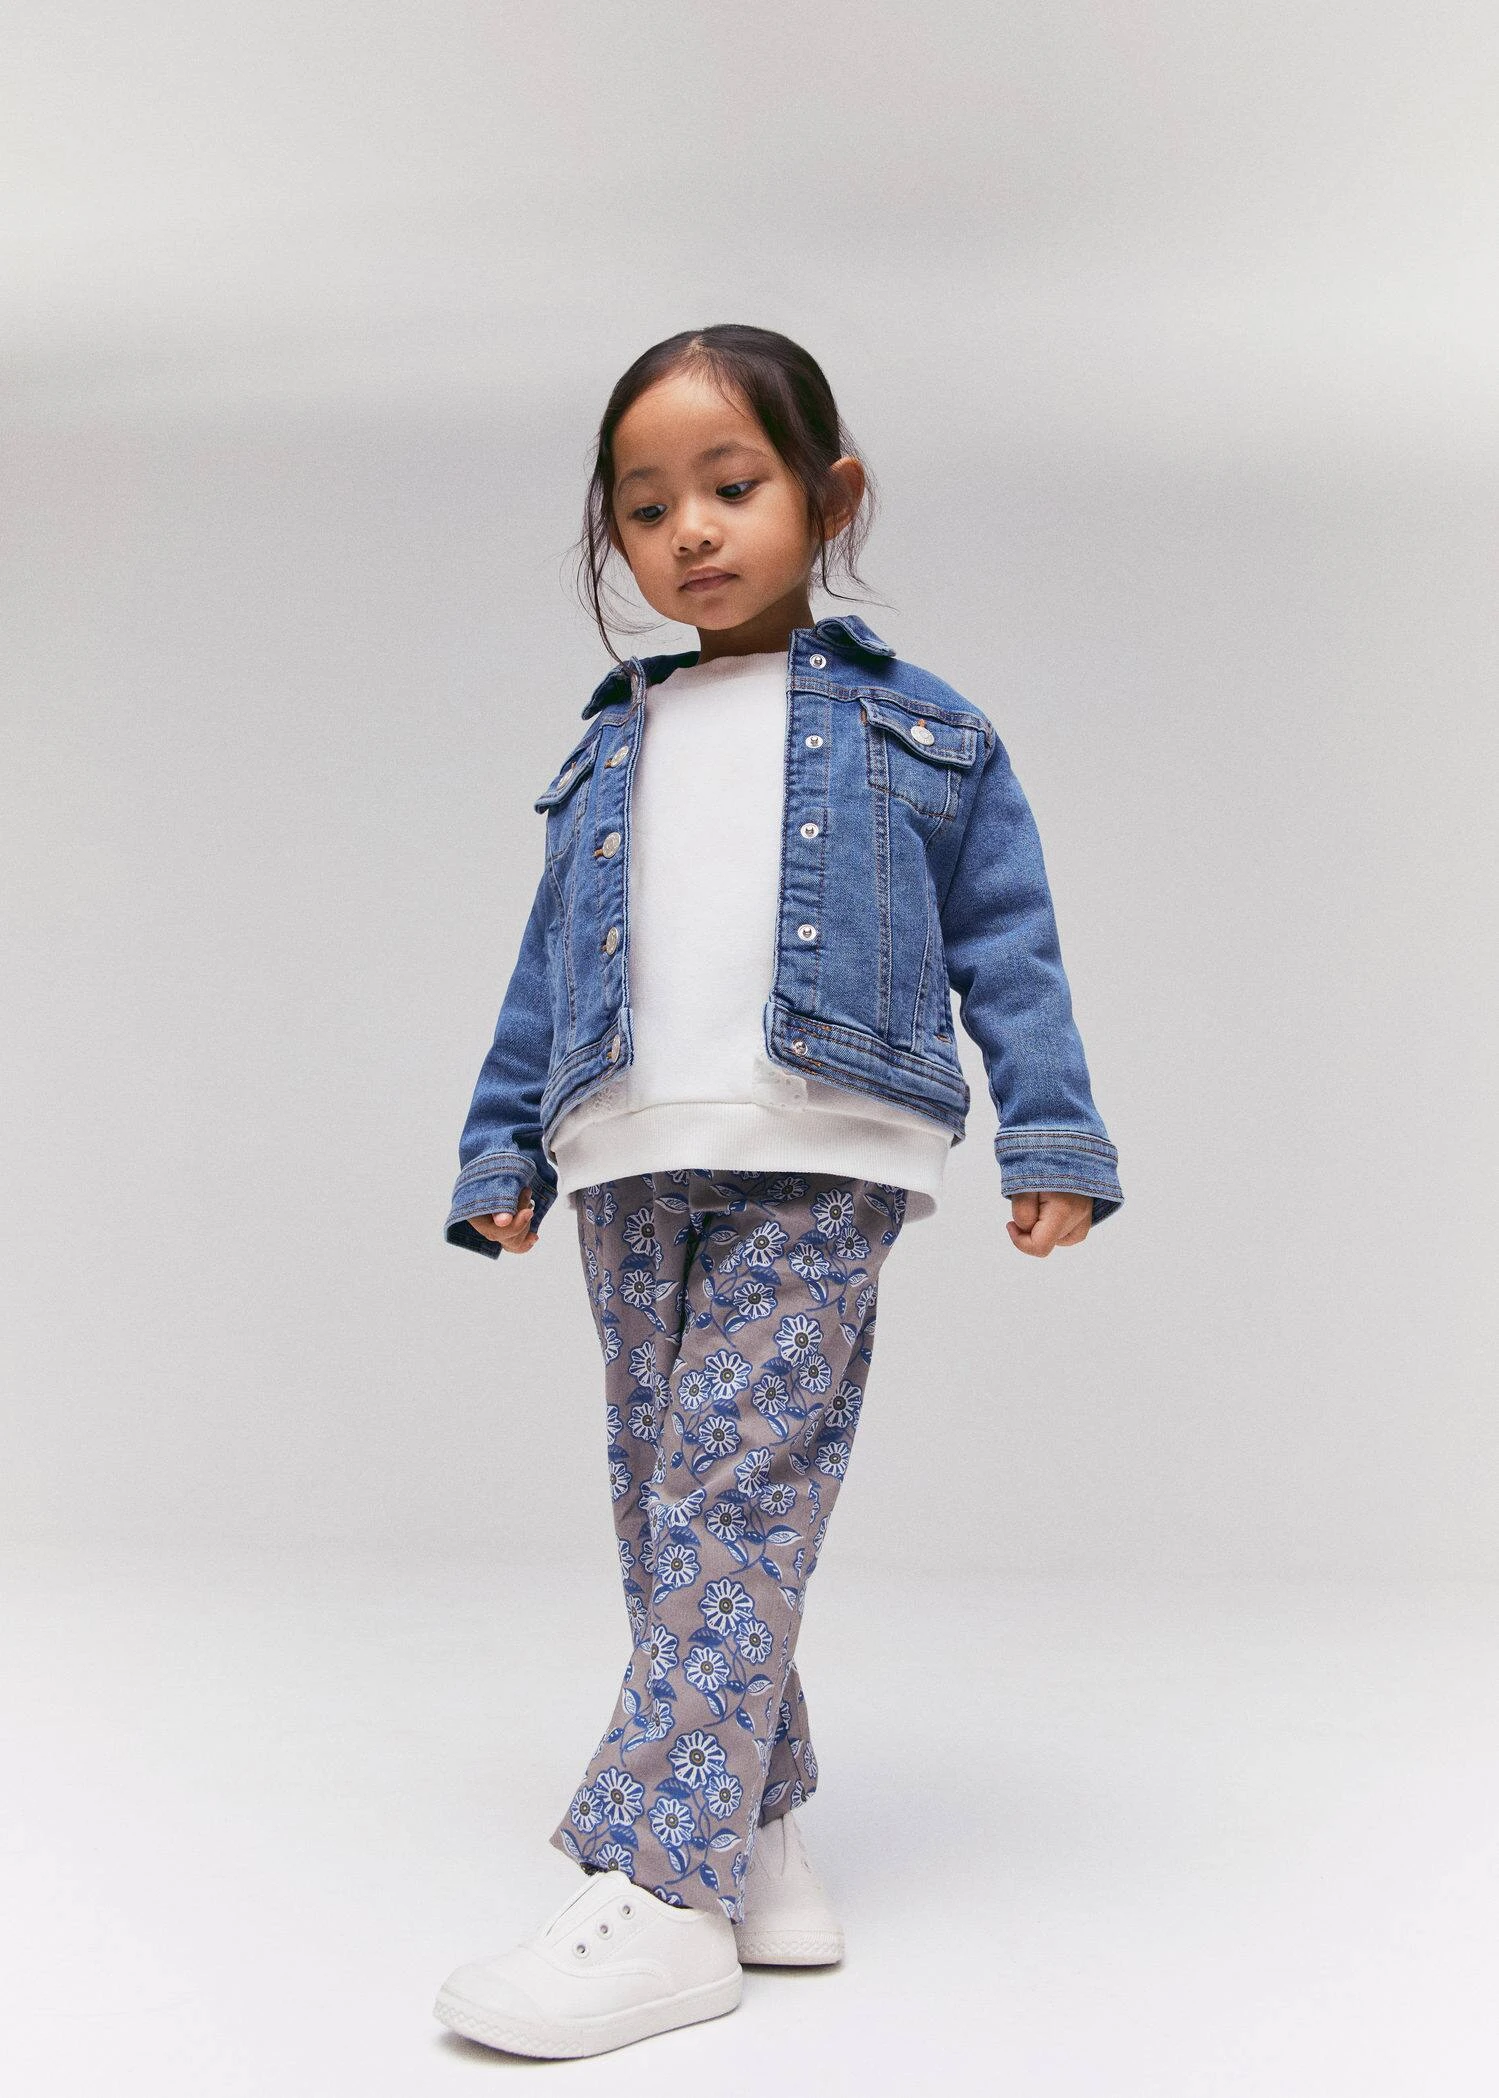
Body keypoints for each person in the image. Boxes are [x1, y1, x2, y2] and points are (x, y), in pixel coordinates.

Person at [431, 324, 1124, 2060]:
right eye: (644, 504)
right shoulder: (610, 744)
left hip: (820, 1145)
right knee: (667, 1501)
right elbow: (543, 971)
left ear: (830, 496)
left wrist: (1051, 1133)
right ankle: (754, 1833)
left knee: (734, 1492)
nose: (690, 530)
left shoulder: (921, 729)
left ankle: (661, 1896)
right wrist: (501, 1146)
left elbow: (1009, 941)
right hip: (622, 1154)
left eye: (732, 486)